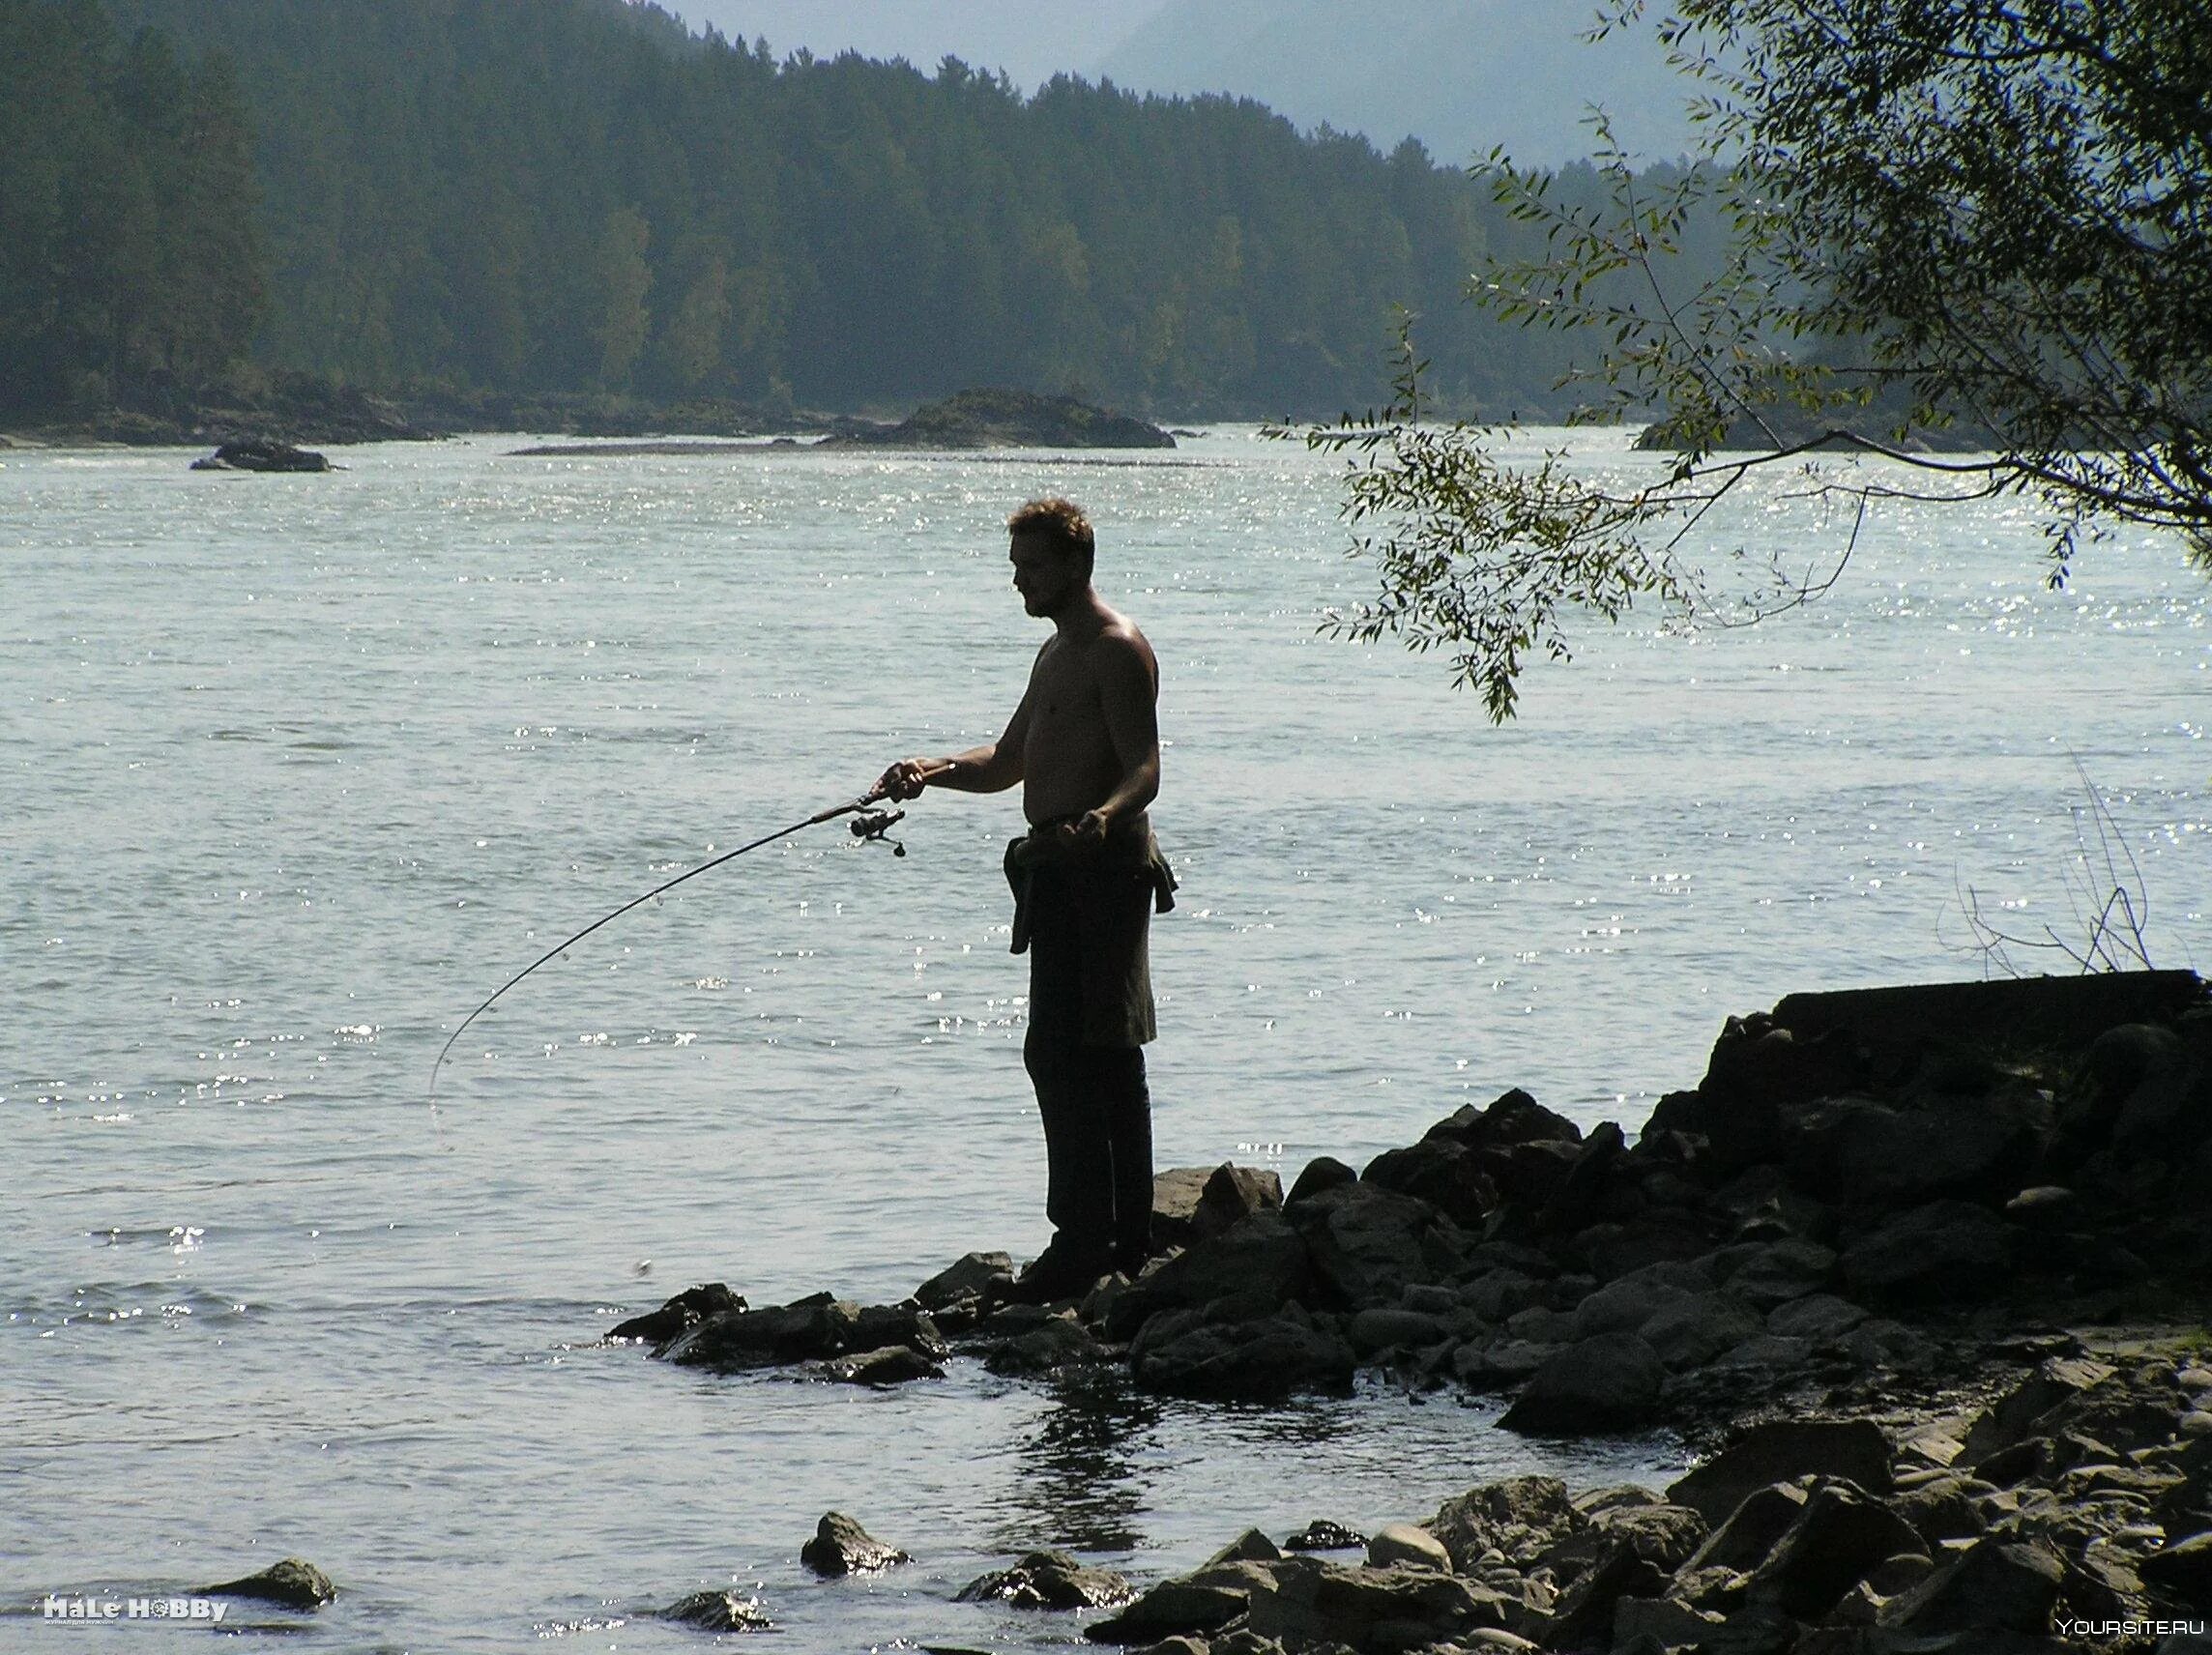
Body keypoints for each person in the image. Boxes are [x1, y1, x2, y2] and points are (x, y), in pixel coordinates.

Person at [876, 497, 1175, 1301]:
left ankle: (1108, 1242)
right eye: (1016, 569)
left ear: (1074, 566)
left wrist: (1101, 819)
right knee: (1057, 1049)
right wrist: (930, 769)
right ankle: (1091, 1235)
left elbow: (1145, 769)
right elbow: (1009, 760)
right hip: (1054, 868)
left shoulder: (1116, 649)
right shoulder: (1054, 654)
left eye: (1031, 569)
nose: (1019, 584)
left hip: (1106, 868)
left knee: (1103, 1050)